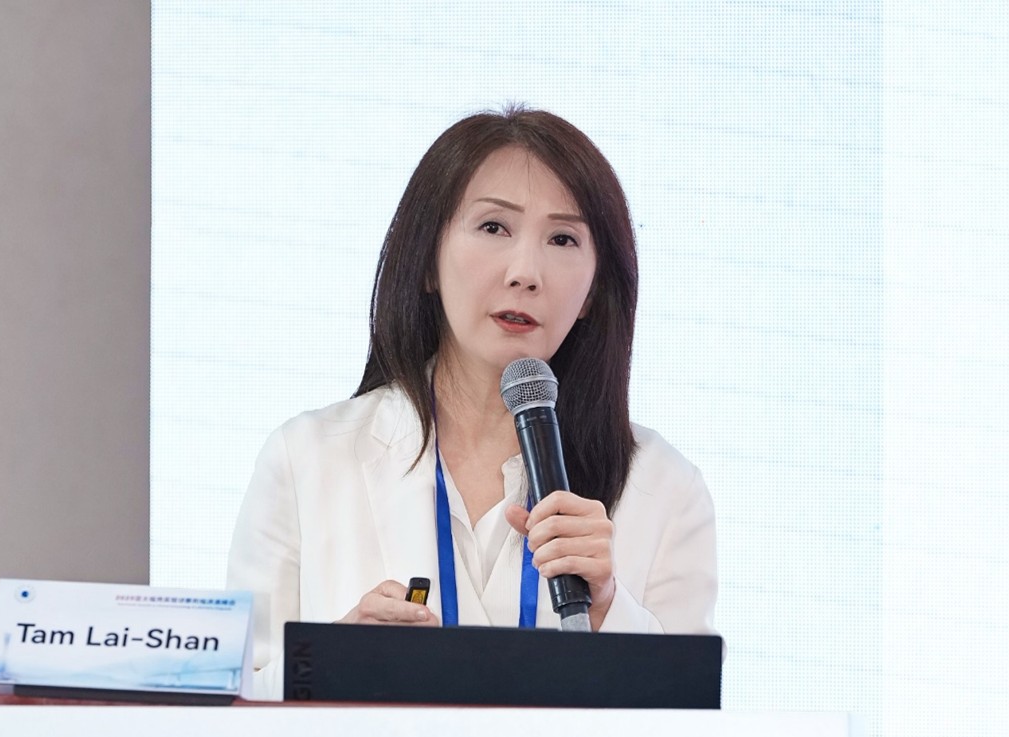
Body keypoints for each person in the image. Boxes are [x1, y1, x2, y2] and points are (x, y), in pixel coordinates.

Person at [227, 106, 718, 700]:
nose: (526, 273)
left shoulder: (664, 486)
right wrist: (337, 665)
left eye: (563, 239)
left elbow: (689, 714)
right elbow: (231, 706)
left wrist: (606, 608)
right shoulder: (305, 458)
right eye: (493, 227)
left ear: (593, 291)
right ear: (428, 261)